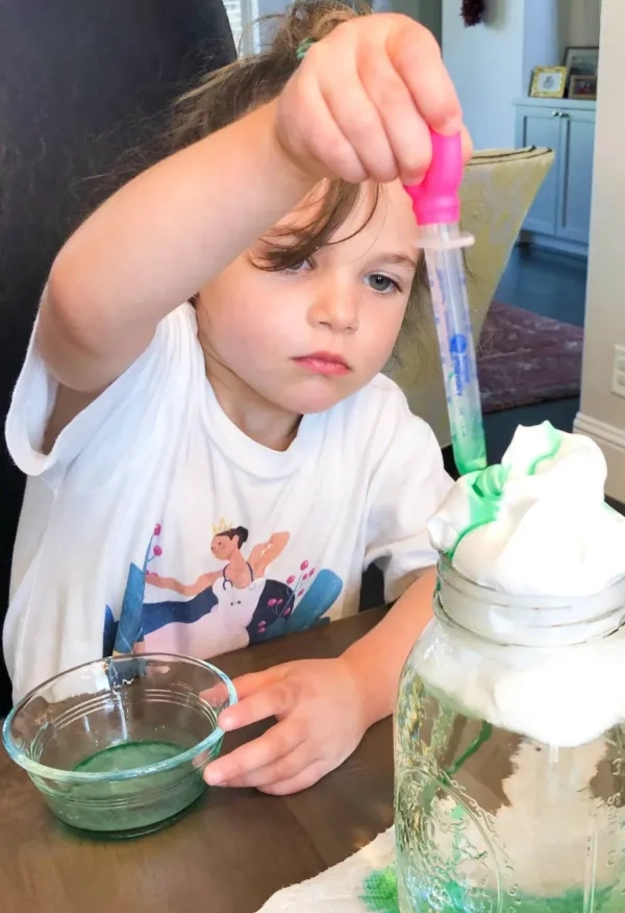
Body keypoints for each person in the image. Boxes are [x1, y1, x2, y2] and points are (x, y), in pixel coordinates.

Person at [4, 0, 472, 795]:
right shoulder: (142, 377)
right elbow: (83, 308)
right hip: (83, 793)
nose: (341, 311)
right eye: (292, 257)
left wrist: (360, 685)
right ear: (202, 254)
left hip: (261, 781)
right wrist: (283, 146)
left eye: (383, 278)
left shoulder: (377, 425)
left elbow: (454, 579)